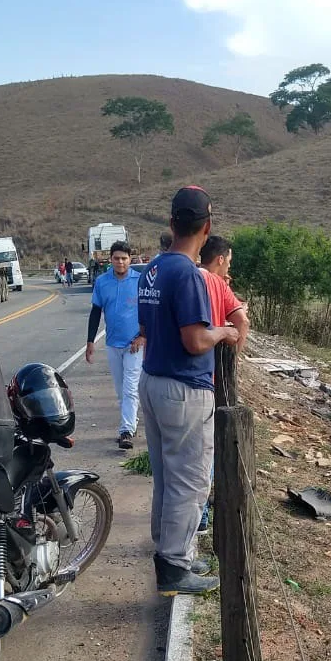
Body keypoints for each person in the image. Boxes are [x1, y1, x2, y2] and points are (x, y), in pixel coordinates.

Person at [138, 187, 239, 596]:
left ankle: (170, 553)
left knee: (166, 478)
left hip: (153, 380)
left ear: (171, 223)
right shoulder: (190, 274)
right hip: (183, 388)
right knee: (191, 482)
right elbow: (196, 340)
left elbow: (148, 328)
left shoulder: (153, 269)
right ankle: (174, 568)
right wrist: (225, 331)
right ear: (207, 227)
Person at [195, 234, 251, 531]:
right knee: (208, 448)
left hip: (182, 375)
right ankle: (202, 516)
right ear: (220, 259)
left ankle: (194, 516)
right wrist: (234, 355)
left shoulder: (187, 277)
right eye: (228, 260)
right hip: (212, 375)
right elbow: (242, 321)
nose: (228, 264)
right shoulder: (218, 284)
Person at [86, 241, 143, 449]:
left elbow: (150, 310)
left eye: (124, 258)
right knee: (121, 390)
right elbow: (95, 312)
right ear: (111, 259)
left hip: (134, 344)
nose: (120, 262)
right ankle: (131, 421)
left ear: (130, 259)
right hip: (112, 344)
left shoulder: (139, 281)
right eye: (117, 258)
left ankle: (126, 431)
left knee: (130, 388)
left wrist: (143, 337)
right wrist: (90, 341)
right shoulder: (102, 282)